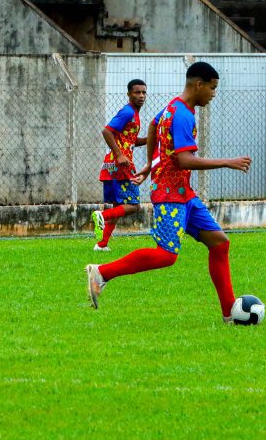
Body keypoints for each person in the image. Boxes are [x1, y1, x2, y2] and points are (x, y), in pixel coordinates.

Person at [85, 62, 252, 323]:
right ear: (199, 85)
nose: (213, 94)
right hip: (169, 194)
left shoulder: (172, 107)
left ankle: (229, 312)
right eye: (212, 87)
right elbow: (184, 159)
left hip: (184, 193)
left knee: (219, 243)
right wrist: (227, 162)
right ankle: (102, 273)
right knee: (166, 255)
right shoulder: (183, 115)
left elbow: (152, 126)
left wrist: (152, 164)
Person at [92, 79, 148, 251]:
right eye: (137, 92)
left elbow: (130, 140)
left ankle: (101, 245)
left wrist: (151, 139)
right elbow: (107, 131)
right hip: (120, 164)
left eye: (143, 92)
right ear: (129, 94)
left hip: (114, 164)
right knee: (133, 205)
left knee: (119, 206)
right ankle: (102, 215)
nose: (141, 96)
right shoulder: (127, 112)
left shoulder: (134, 114)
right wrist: (119, 154)